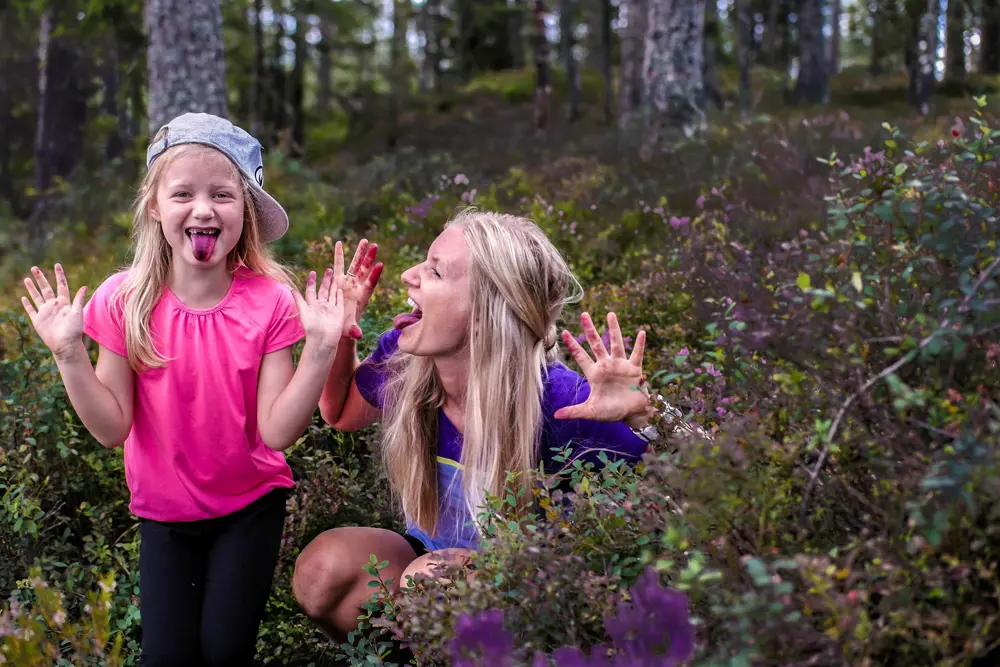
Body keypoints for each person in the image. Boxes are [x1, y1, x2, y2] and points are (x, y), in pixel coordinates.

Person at [18, 112, 374, 667]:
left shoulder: (271, 302)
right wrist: (68, 354)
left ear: (246, 214)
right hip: (164, 514)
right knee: (167, 656)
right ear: (155, 206)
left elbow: (277, 433)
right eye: (183, 192)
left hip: (250, 507)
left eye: (223, 194)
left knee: (225, 649)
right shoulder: (123, 299)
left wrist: (321, 349)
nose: (203, 208)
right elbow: (112, 428)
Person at [291, 209, 666, 640]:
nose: (408, 276)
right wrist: (340, 336)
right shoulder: (407, 357)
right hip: (430, 560)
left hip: (535, 594)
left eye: (434, 271)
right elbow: (340, 413)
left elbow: (706, 491)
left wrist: (643, 416)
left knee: (428, 583)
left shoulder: (562, 404)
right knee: (322, 571)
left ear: (486, 310)